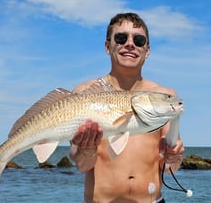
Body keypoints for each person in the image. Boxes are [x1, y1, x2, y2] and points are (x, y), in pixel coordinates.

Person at [69, 12, 184, 203]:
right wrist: (86, 151)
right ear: (108, 46)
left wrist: (174, 158)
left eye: (138, 40)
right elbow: (82, 165)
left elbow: (169, 168)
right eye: (121, 38)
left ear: (147, 50)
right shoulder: (85, 93)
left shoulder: (165, 98)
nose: (130, 44)